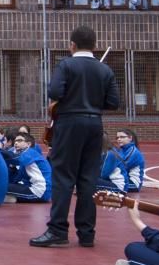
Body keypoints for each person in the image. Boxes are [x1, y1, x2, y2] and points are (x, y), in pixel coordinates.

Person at [31, 25, 119, 248]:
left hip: (70, 122)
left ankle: (58, 230)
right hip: (94, 124)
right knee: (88, 178)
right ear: (95, 46)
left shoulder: (66, 64)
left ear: (72, 45)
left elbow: (54, 93)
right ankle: (86, 233)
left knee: (63, 177)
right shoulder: (104, 70)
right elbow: (113, 102)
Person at [5, 132, 52, 203]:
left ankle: (11, 198)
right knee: (5, 185)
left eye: (20, 140)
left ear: (28, 144)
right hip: (32, 188)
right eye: (15, 141)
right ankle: (13, 198)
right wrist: (12, 168)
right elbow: (16, 178)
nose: (16, 143)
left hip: (40, 191)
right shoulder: (25, 156)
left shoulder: (30, 153)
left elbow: (14, 158)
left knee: (2, 187)